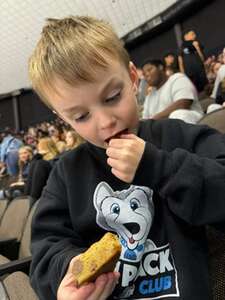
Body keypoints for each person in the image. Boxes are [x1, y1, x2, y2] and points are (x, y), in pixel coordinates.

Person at [28, 16, 225, 300]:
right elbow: (46, 248)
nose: (106, 122)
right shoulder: (66, 174)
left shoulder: (180, 137)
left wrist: (159, 167)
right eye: (81, 116)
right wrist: (69, 269)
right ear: (65, 120)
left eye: (112, 96)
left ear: (133, 79)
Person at [142, 58, 203, 123]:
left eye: (149, 70)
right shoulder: (149, 97)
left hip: (193, 123)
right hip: (164, 130)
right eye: (144, 74)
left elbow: (183, 104)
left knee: (177, 114)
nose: (147, 75)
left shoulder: (177, 78)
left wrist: (153, 120)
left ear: (160, 67)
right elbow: (145, 120)